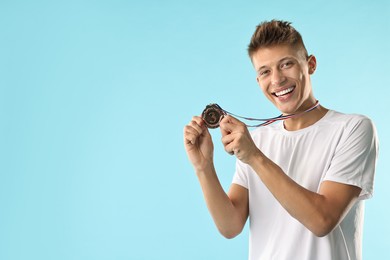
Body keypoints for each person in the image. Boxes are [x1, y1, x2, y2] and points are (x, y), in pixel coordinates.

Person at [183, 20, 378, 260]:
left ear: (310, 64)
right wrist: (204, 167)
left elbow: (322, 220)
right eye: (265, 71)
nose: (276, 80)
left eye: (286, 64)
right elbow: (230, 226)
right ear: (258, 81)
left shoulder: (353, 128)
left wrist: (254, 156)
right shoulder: (257, 140)